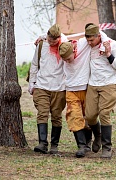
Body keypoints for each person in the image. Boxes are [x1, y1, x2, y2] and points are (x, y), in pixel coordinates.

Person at [58, 31, 108, 158]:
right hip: (70, 89)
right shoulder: (64, 47)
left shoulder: (82, 45)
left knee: (88, 116)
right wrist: (41, 38)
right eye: (64, 60)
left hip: (86, 88)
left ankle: (96, 136)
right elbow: (58, 34)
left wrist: (104, 46)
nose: (67, 62)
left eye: (68, 59)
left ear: (74, 52)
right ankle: (81, 146)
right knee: (74, 116)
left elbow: (97, 31)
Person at [84, 23, 116, 159]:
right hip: (93, 84)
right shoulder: (86, 45)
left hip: (109, 83)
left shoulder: (112, 45)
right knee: (89, 116)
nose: (89, 43)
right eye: (87, 40)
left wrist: (108, 55)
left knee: (104, 114)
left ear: (98, 36)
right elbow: (63, 38)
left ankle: (107, 147)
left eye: (92, 40)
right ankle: (99, 135)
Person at [28, 24, 67, 154]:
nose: (51, 43)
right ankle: (42, 143)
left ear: (59, 38)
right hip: (41, 85)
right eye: (49, 40)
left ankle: (54, 145)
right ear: (47, 36)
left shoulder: (64, 46)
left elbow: (66, 40)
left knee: (56, 116)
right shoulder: (41, 45)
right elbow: (34, 64)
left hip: (59, 87)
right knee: (42, 113)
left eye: (54, 41)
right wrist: (32, 83)